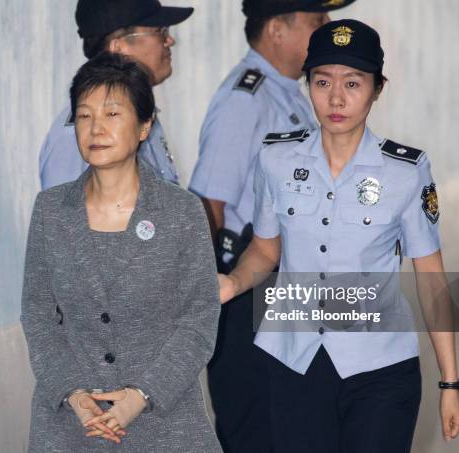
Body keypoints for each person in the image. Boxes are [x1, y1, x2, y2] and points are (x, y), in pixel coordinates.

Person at [219, 19, 459, 453]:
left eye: (353, 83)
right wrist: (234, 282)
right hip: (292, 361)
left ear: (377, 88)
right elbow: (264, 249)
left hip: (380, 369)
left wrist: (451, 382)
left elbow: (431, 280)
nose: (336, 98)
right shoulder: (276, 158)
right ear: (308, 84)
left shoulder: (405, 172)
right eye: (322, 82)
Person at [21, 52, 222, 452]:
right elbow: (38, 317)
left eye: (112, 114)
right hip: (73, 425)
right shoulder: (50, 210)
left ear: (145, 125)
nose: (96, 128)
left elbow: (199, 321)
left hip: (165, 423)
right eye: (84, 115)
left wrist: (142, 395)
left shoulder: (181, 211)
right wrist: (75, 396)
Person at [189, 1, 356, 451]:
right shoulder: (245, 100)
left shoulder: (287, 94)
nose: (328, 30)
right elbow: (208, 205)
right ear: (277, 31)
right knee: (261, 430)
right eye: (317, 22)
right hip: (253, 299)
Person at [39, 0, 193, 189]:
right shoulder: (78, 137)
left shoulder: (139, 111)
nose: (170, 40)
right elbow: (63, 215)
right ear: (118, 47)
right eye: (160, 31)